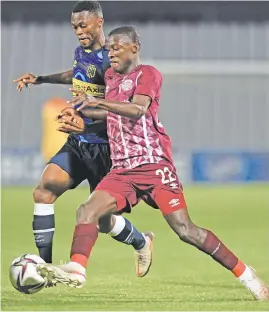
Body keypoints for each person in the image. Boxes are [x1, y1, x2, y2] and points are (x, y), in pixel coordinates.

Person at [36, 25, 269, 300]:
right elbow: (110, 120)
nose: (110, 53)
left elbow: (136, 110)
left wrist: (98, 102)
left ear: (134, 48)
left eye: (117, 47)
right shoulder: (110, 76)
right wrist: (82, 125)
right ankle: (77, 269)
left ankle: (247, 275)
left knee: (186, 230)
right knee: (87, 211)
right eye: (109, 48)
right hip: (122, 169)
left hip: (153, 166)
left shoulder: (148, 74)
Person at [12, 1, 154, 278]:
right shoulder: (83, 51)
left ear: (99, 22)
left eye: (83, 25)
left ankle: (142, 241)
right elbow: (76, 75)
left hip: (105, 149)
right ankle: (45, 268)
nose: (78, 31)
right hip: (78, 143)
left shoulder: (113, 61)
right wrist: (41, 79)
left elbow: (121, 110)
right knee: (44, 191)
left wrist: (86, 117)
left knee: (101, 221)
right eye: (74, 26)